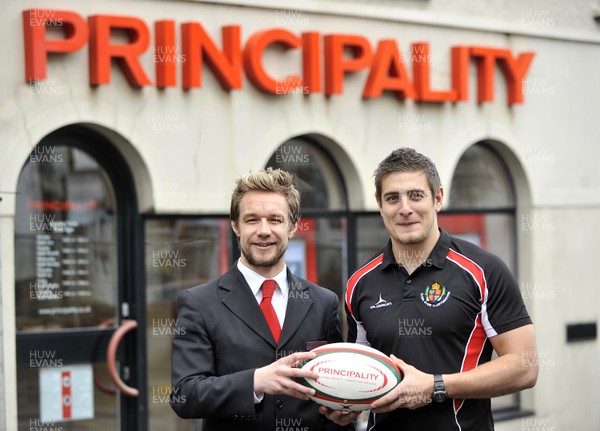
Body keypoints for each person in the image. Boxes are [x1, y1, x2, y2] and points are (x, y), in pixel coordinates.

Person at [323, 147, 538, 430]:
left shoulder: (484, 270)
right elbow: (362, 372)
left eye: (415, 195)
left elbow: (525, 367)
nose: (405, 209)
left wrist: (436, 386)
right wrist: (344, 405)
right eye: (392, 198)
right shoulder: (360, 282)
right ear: (379, 203)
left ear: (437, 198)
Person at [170, 167, 351, 431]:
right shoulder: (198, 303)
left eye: (275, 220)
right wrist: (254, 381)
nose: (264, 231)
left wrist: (337, 413)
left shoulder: (324, 302)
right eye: (252, 219)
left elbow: (333, 390)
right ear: (236, 226)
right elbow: (184, 395)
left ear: (292, 227)